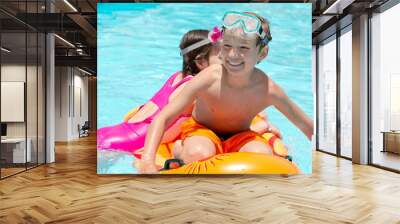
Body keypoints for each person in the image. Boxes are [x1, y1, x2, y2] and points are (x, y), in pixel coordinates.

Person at [138, 11, 313, 174]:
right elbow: (164, 117)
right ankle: (179, 148)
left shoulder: (267, 89)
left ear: (262, 53)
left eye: (244, 48)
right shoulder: (209, 78)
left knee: (262, 155)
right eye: (227, 46)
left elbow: (306, 126)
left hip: (240, 135)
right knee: (199, 153)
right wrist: (147, 160)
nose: (233, 55)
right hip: (201, 130)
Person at [98, 28, 279, 153]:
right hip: (122, 146)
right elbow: (217, 130)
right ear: (201, 62)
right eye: (221, 55)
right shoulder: (197, 90)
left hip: (113, 133)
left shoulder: (177, 77)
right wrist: (262, 126)